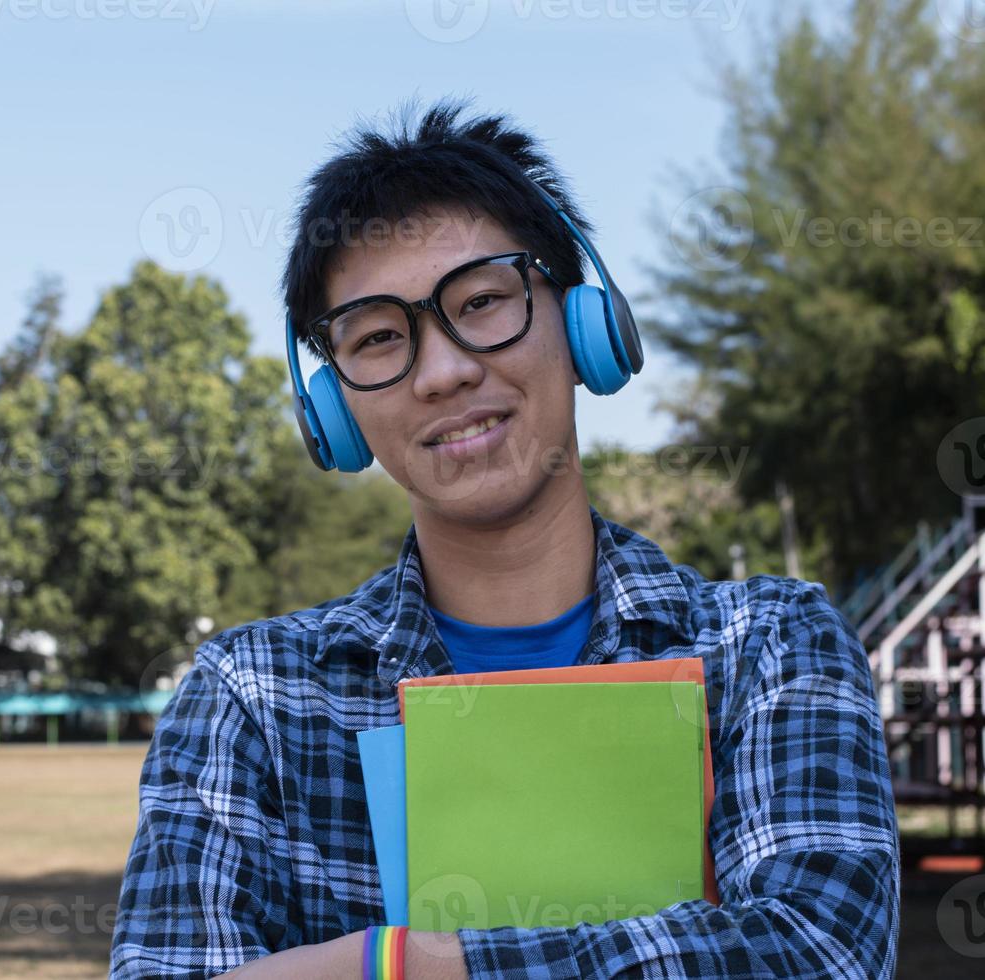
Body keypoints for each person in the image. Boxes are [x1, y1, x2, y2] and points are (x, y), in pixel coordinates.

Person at [110, 96, 899, 979]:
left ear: (585, 321)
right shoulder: (252, 700)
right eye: (378, 337)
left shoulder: (772, 646)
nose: (444, 371)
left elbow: (816, 952)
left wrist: (390, 965)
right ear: (334, 408)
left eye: (482, 300)